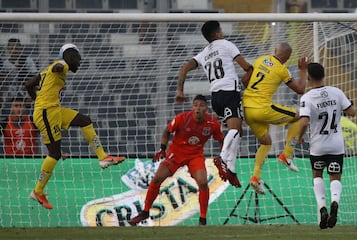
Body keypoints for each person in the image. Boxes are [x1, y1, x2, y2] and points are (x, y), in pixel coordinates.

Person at [25, 43, 125, 210]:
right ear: (71, 56)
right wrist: (59, 65)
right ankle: (37, 191)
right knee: (54, 154)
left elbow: (28, 85)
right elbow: (58, 66)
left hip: (53, 110)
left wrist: (37, 100)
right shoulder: (62, 65)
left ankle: (103, 157)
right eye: (78, 58)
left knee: (85, 121)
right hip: (46, 113)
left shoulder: (45, 72)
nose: (80, 62)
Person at [175, 20, 253, 188]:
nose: (222, 33)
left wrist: (180, 91)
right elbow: (246, 66)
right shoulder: (226, 44)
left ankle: (231, 168)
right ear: (217, 34)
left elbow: (183, 69)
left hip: (215, 96)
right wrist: (251, 74)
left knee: (238, 131)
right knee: (235, 130)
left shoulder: (203, 53)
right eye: (221, 30)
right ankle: (223, 158)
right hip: (230, 92)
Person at [130, 95, 224, 226]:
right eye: (195, 105)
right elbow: (166, 131)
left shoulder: (212, 123)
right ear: (192, 107)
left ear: (206, 108)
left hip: (195, 155)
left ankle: (202, 219)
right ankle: (145, 211)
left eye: (201, 105)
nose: (197, 108)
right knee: (157, 179)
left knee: (203, 183)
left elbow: (221, 139)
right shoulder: (182, 118)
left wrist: (224, 156)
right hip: (176, 153)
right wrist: (163, 149)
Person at [242, 42, 308, 194]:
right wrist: (303, 70)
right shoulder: (281, 69)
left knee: (266, 142)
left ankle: (255, 178)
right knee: (299, 116)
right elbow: (300, 89)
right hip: (262, 108)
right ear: (287, 58)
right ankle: (287, 154)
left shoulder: (260, 59)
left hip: (247, 108)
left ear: (275, 51)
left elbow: (245, 80)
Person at [298, 63, 356, 229]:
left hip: (317, 146)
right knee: (335, 177)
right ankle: (335, 202)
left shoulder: (307, 98)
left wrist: (300, 137)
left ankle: (322, 208)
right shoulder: (336, 92)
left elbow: (303, 122)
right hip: (336, 145)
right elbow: (352, 112)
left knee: (317, 175)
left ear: (308, 77)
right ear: (324, 74)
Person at [1, 38, 37, 114]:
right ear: (8, 49)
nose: (14, 51)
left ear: (20, 48)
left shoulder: (27, 61)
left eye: (16, 48)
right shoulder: (5, 64)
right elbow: (3, 83)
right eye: (11, 48)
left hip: (26, 96)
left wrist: (31, 96)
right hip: (11, 97)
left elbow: (35, 78)